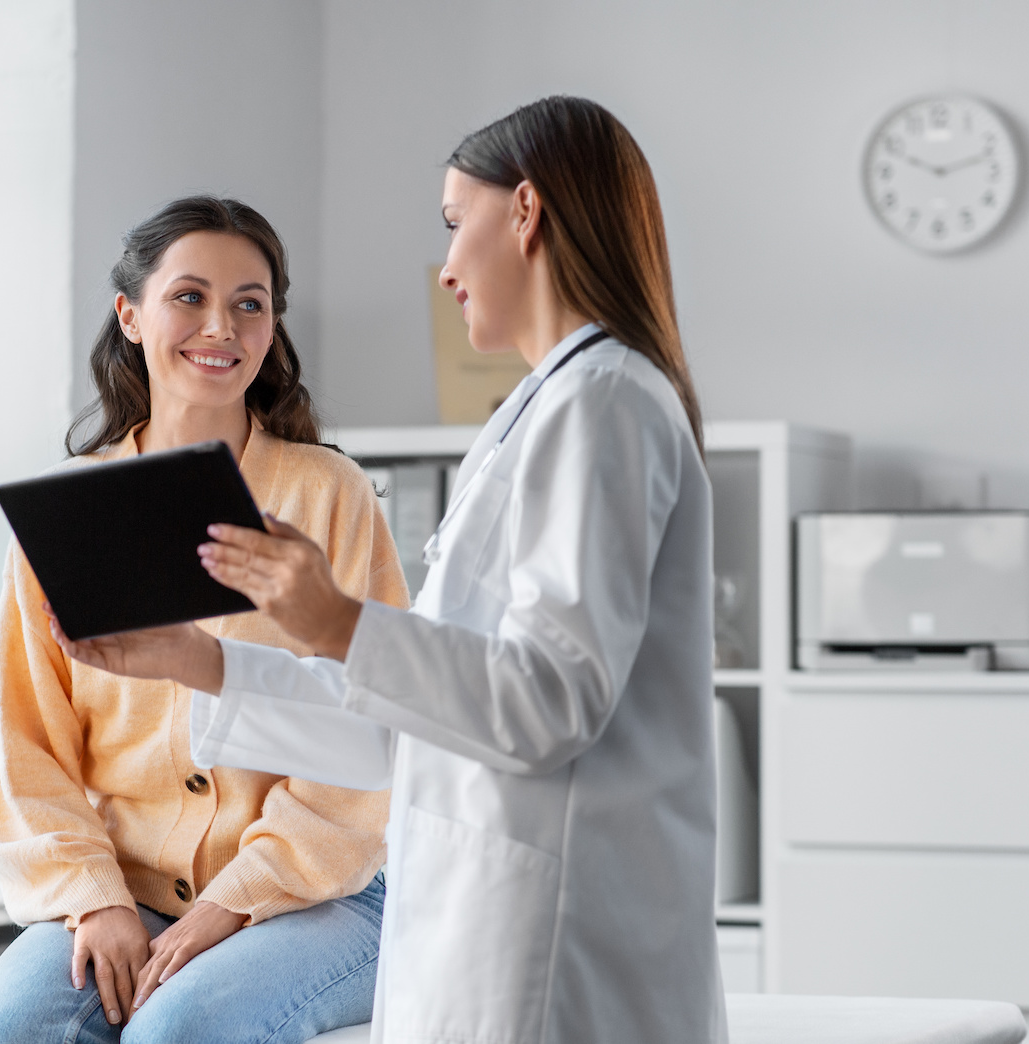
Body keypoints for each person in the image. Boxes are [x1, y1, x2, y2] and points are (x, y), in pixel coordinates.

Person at [51, 97, 725, 1043]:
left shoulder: (604, 405)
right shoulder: (546, 410)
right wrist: (203, 663)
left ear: (525, 213)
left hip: (553, 942)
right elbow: (410, 727)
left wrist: (335, 620)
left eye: (457, 224)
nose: (447, 267)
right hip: (484, 916)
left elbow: (549, 705)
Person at [0, 196, 409, 1044]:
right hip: (122, 882)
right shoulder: (70, 515)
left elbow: (372, 734)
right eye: (190, 297)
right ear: (130, 316)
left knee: (178, 1033)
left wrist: (231, 905)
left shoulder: (328, 496)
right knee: (16, 1029)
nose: (223, 325)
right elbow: (25, 744)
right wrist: (96, 900)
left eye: (251, 303)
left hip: (323, 891)